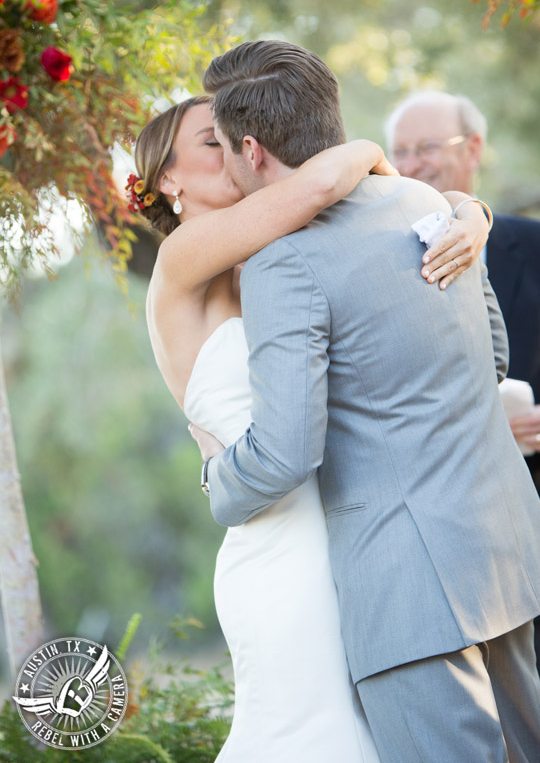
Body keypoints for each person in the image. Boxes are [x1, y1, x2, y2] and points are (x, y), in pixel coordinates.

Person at [192, 40, 540, 763]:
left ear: (252, 149)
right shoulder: (429, 204)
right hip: (500, 548)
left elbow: (285, 449)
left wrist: (218, 478)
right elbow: (494, 356)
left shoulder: (283, 260)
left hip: (407, 586)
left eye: (219, 147)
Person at [133, 92, 488, 763]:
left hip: (357, 541)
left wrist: (471, 213)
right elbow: (328, 179)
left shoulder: (283, 253)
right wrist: (371, 150)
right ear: (166, 181)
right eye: (213, 140)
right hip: (279, 554)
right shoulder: (183, 259)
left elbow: (382, 221)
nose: (236, 145)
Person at [387, 89, 540, 763]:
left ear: (472, 150)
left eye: (429, 148)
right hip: (447, 569)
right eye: (401, 152)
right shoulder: (384, 266)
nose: (414, 164)